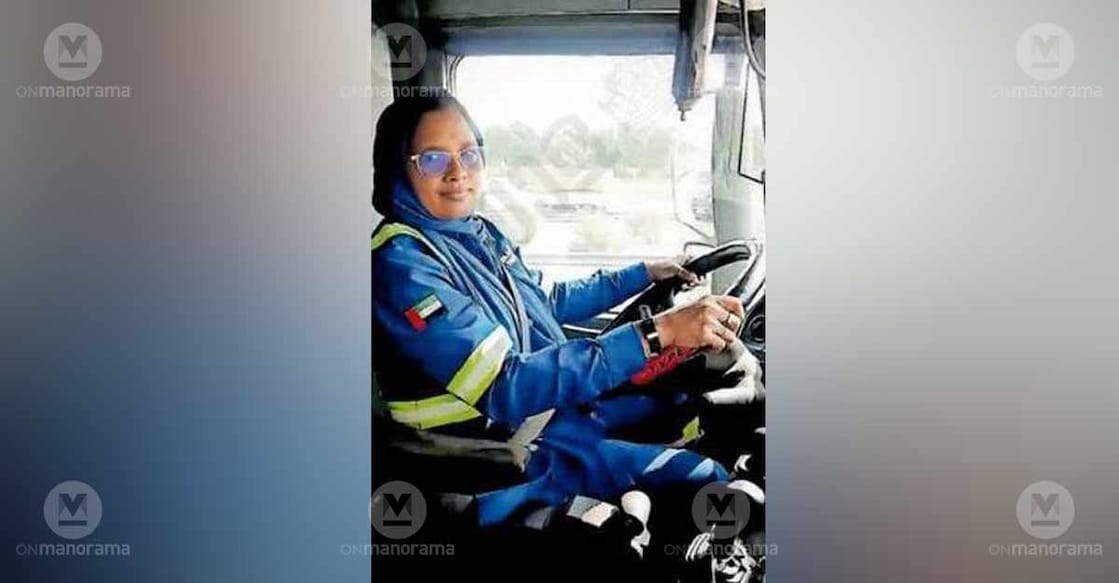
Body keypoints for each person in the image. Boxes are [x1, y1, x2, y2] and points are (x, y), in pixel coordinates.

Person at [371, 90, 746, 527]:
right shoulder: (402, 265)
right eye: (434, 159)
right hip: (488, 459)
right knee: (702, 480)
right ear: (399, 169)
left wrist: (645, 273)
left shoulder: (475, 233)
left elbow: (544, 300)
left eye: (469, 154)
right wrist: (657, 333)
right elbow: (505, 384)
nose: (458, 172)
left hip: (546, 417)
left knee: (690, 420)